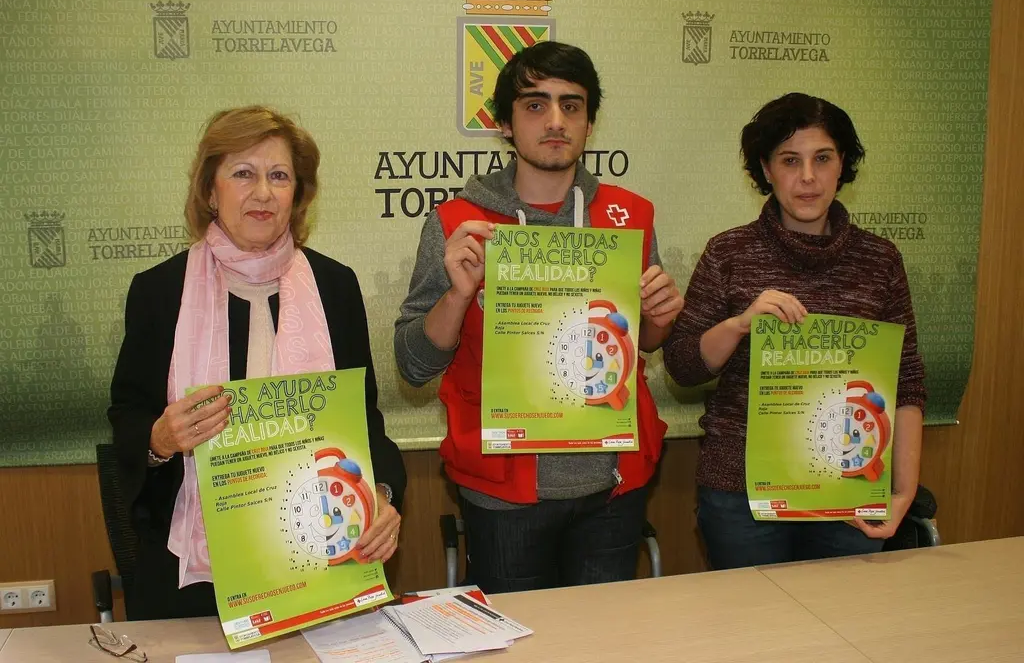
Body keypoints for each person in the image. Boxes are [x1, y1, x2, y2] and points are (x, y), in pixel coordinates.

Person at [394, 42, 684, 593]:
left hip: (613, 482)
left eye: (571, 105)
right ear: (505, 123)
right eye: (535, 104)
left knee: (606, 634)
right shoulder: (457, 223)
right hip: (503, 491)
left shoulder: (629, 215)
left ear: (590, 123)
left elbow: (643, 342)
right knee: (518, 632)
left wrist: (662, 317)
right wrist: (457, 296)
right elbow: (412, 365)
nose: (555, 121)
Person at [108, 106, 407, 620]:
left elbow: (363, 420)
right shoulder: (159, 291)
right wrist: (160, 439)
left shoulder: (335, 287)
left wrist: (380, 494)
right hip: (191, 572)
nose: (263, 192)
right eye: (243, 173)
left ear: (298, 195)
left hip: (320, 553)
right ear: (210, 191)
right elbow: (128, 416)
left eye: (279, 176)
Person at [663, 92, 926, 569]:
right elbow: (682, 366)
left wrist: (903, 490)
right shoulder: (729, 252)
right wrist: (738, 325)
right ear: (766, 169)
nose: (807, 177)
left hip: (848, 484)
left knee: (844, 614)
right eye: (790, 160)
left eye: (822, 158)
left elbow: (905, 380)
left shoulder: (880, 260)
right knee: (753, 615)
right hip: (741, 495)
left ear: (842, 164)